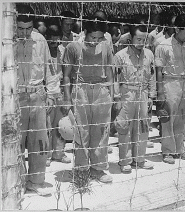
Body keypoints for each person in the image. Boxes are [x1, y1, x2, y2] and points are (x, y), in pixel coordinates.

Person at [62, 16, 114, 183]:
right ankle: (81, 170)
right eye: (93, 38)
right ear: (85, 33)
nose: (95, 41)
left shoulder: (106, 47)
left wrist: (112, 96)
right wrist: (67, 98)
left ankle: (98, 169)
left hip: (101, 91)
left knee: (100, 132)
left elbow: (110, 72)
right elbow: (66, 75)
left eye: (99, 38)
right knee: (81, 131)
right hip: (80, 91)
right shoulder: (73, 47)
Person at [15, 4, 55, 196]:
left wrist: (52, 94)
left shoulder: (40, 40)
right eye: (20, 28)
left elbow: (50, 68)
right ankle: (16, 182)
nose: (24, 32)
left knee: (39, 141)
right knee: (15, 141)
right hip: (14, 98)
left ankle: (36, 181)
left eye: (28, 28)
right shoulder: (5, 41)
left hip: (38, 94)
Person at [113, 24, 156, 173]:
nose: (141, 43)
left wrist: (151, 96)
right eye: (138, 39)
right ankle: (125, 160)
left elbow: (152, 76)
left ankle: (139, 159)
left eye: (144, 40)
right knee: (124, 127)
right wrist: (117, 98)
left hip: (143, 93)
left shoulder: (149, 54)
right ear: (130, 38)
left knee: (143, 127)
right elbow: (115, 79)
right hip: (127, 94)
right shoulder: (120, 56)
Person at [155, 14, 185, 164]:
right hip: (170, 83)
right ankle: (168, 151)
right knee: (168, 118)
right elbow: (158, 70)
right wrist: (160, 92)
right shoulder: (163, 45)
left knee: (183, 117)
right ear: (177, 29)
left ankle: (180, 149)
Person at [45, 22, 71, 166]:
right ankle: (47, 154)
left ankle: (59, 153)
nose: (54, 41)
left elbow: (66, 73)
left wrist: (67, 96)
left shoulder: (63, 51)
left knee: (61, 125)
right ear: (47, 38)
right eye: (51, 38)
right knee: (47, 126)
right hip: (47, 95)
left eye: (57, 38)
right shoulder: (43, 52)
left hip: (60, 93)